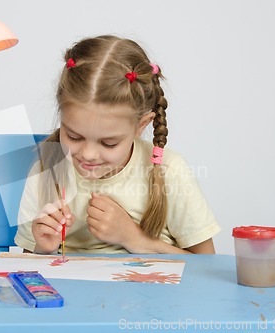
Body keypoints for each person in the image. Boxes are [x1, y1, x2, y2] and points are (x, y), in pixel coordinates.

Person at [15, 35, 220, 254]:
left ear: (141, 125)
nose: (89, 154)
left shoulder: (170, 170)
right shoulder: (47, 171)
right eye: (74, 137)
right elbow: (31, 270)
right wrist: (43, 249)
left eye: (109, 143)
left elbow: (205, 263)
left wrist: (135, 239)